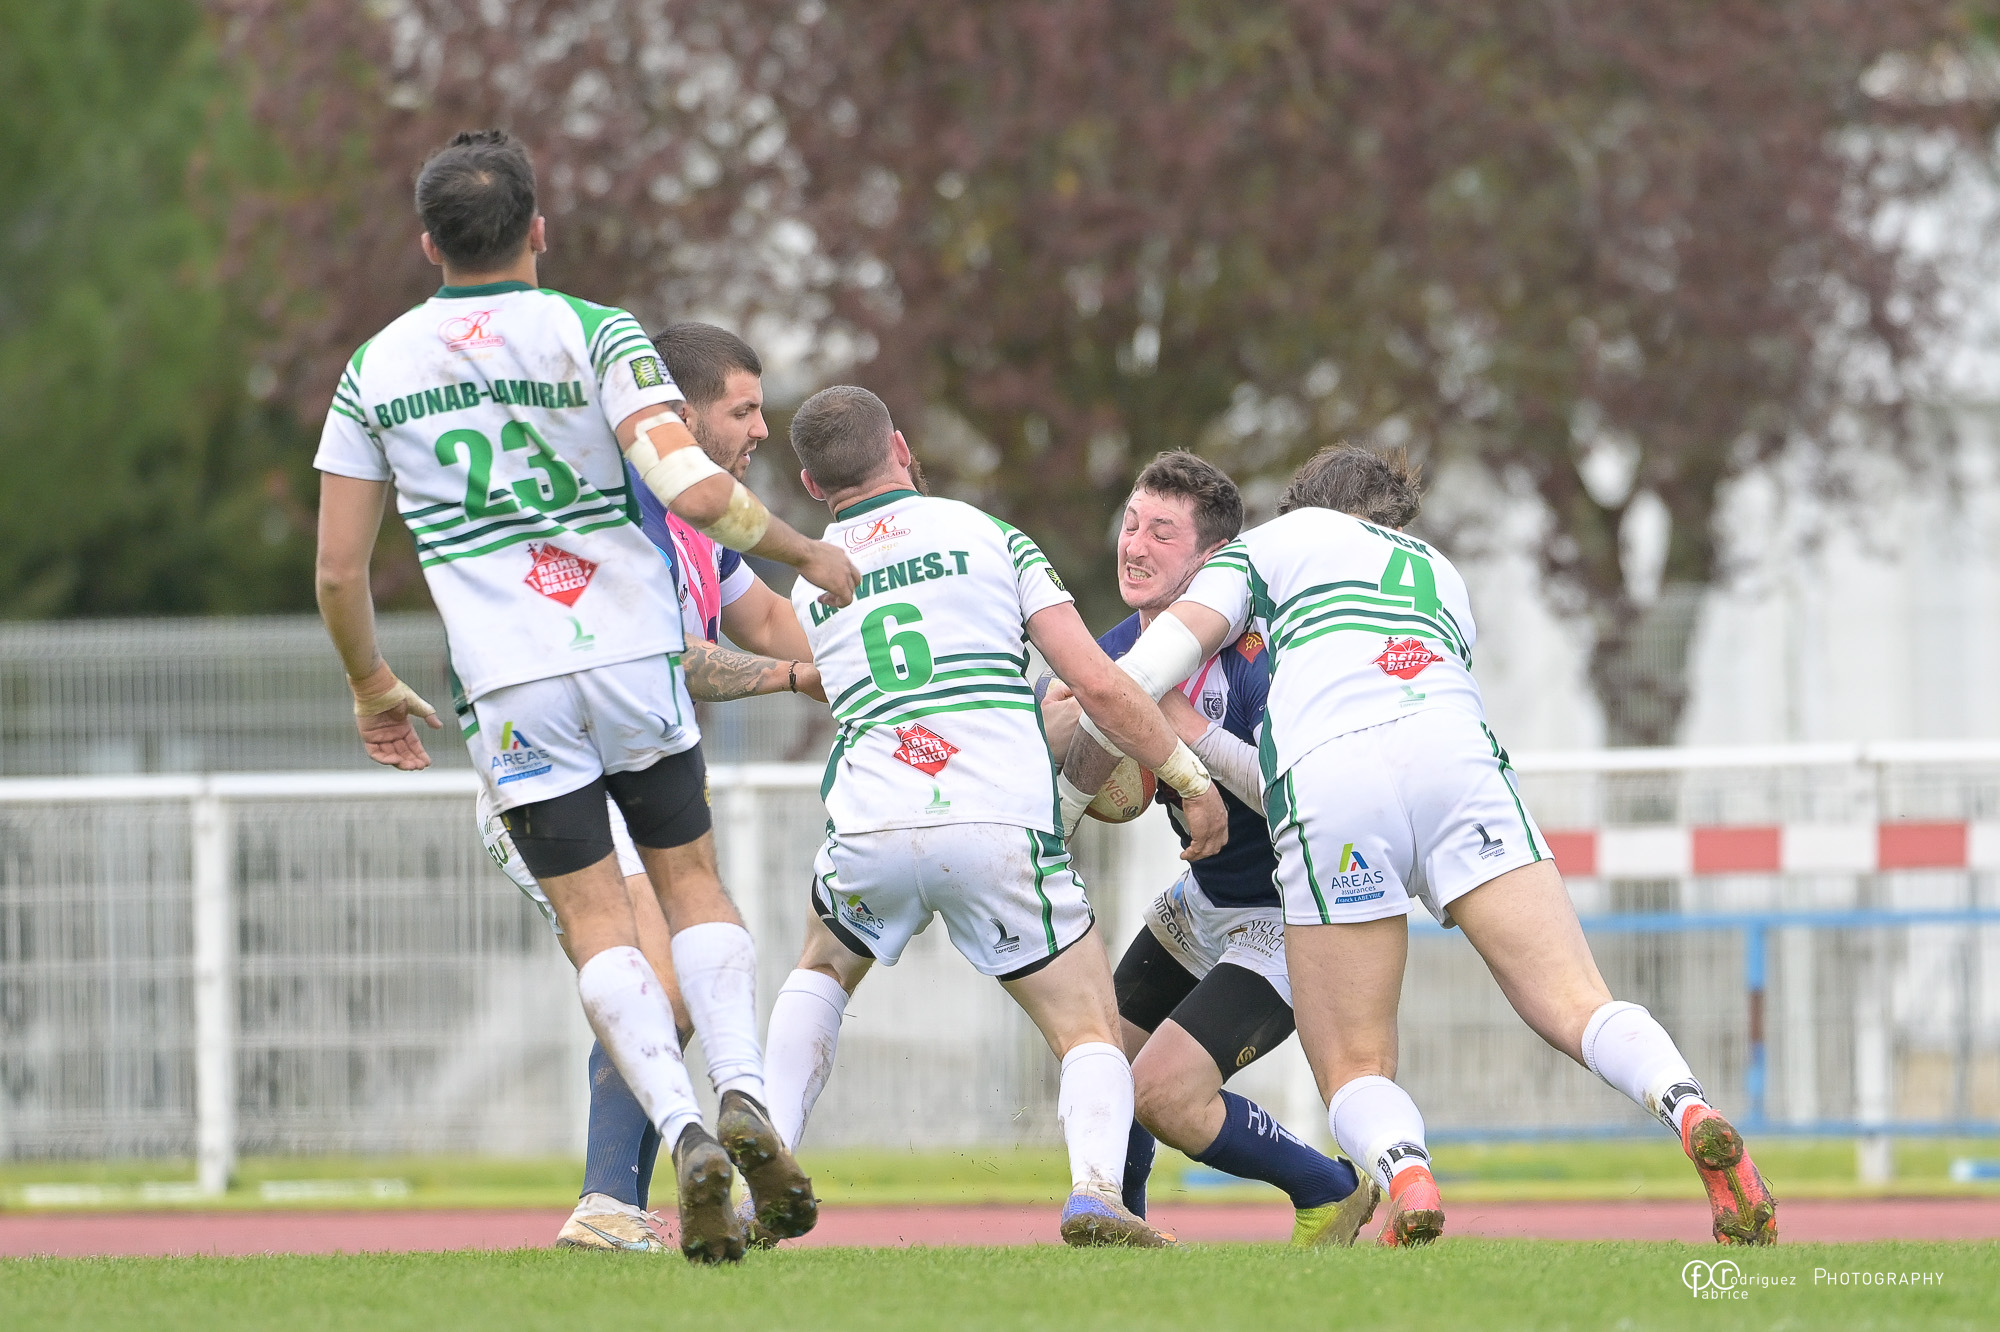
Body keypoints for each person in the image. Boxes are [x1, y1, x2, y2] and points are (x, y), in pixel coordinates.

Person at [311, 129, 858, 1265]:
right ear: (538, 229)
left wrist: (371, 683)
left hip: (509, 686)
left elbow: (336, 571)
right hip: (628, 656)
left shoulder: (373, 370)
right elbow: (685, 484)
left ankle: (684, 1134)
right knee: (690, 884)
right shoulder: (598, 332)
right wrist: (805, 550)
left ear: (428, 243)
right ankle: (741, 1092)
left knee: (598, 926)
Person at [1066, 444, 1778, 1247]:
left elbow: (1140, 674)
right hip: (1457, 760)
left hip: (1333, 783)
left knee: (1356, 1064)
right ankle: (1689, 1105)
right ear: (1392, 519)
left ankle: (1406, 1173)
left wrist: (1118, 772)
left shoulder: (1271, 546)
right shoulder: (1439, 572)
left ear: (1302, 506)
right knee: (1579, 1003)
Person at [777, 386, 1228, 1247]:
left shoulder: (810, 579)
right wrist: (1186, 776)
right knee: (1089, 1025)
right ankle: (1096, 1193)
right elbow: (1099, 683)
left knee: (821, 969)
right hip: (992, 818)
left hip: (871, 820)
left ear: (810, 483)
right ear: (900, 445)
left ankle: (764, 1162)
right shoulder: (989, 536)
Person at [471, 323, 823, 1252]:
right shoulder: (618, 510)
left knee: (672, 988)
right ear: (681, 414)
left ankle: (622, 1201)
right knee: (665, 978)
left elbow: (771, 619)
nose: (760, 430)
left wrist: (877, 663)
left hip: (627, 780)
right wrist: (796, 680)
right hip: (552, 776)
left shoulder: (701, 529)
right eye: (743, 410)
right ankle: (610, 1200)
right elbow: (677, 659)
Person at [1037, 451, 1376, 1247]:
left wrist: (1183, 731)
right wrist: (1057, 729)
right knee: (1101, 1065)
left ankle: (1331, 1189)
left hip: (1291, 918)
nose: (1134, 546)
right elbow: (1061, 764)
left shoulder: (1261, 659)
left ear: (1212, 560)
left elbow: (1298, 802)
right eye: (1130, 524)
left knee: (1163, 1095)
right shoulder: (1112, 651)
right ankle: (1124, 1238)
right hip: (1200, 906)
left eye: (1162, 533)